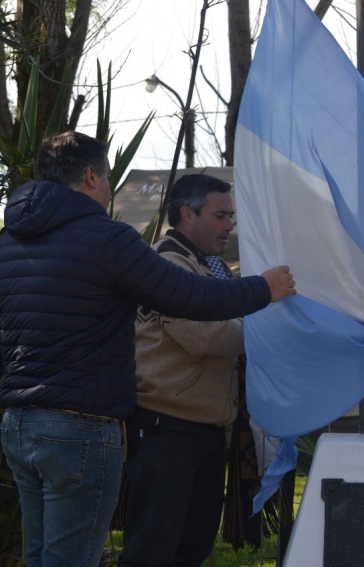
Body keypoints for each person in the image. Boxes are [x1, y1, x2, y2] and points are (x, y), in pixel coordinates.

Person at [0, 132, 296, 567]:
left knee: (42, 556)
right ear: (91, 176)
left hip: (19, 424)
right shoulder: (107, 239)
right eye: (108, 177)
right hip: (84, 426)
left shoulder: (6, 244)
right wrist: (264, 288)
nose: (109, 188)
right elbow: (190, 300)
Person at [118, 173, 249, 566]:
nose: (230, 225)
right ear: (187, 214)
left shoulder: (207, 267)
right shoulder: (167, 264)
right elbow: (208, 335)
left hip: (201, 429)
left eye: (232, 216)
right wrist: (266, 325)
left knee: (191, 549)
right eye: (221, 215)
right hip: (167, 430)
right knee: (153, 550)